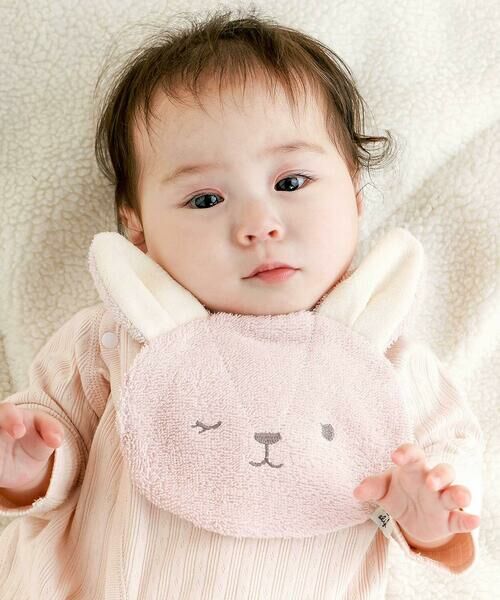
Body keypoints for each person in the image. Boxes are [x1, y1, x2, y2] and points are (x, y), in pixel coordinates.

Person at [0, 7, 484, 599]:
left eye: (290, 183)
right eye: (206, 199)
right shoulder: (114, 338)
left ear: (356, 197)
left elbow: (452, 467)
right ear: (138, 229)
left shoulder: (385, 362)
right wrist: (26, 467)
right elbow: (52, 436)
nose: (258, 224)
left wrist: (429, 515)